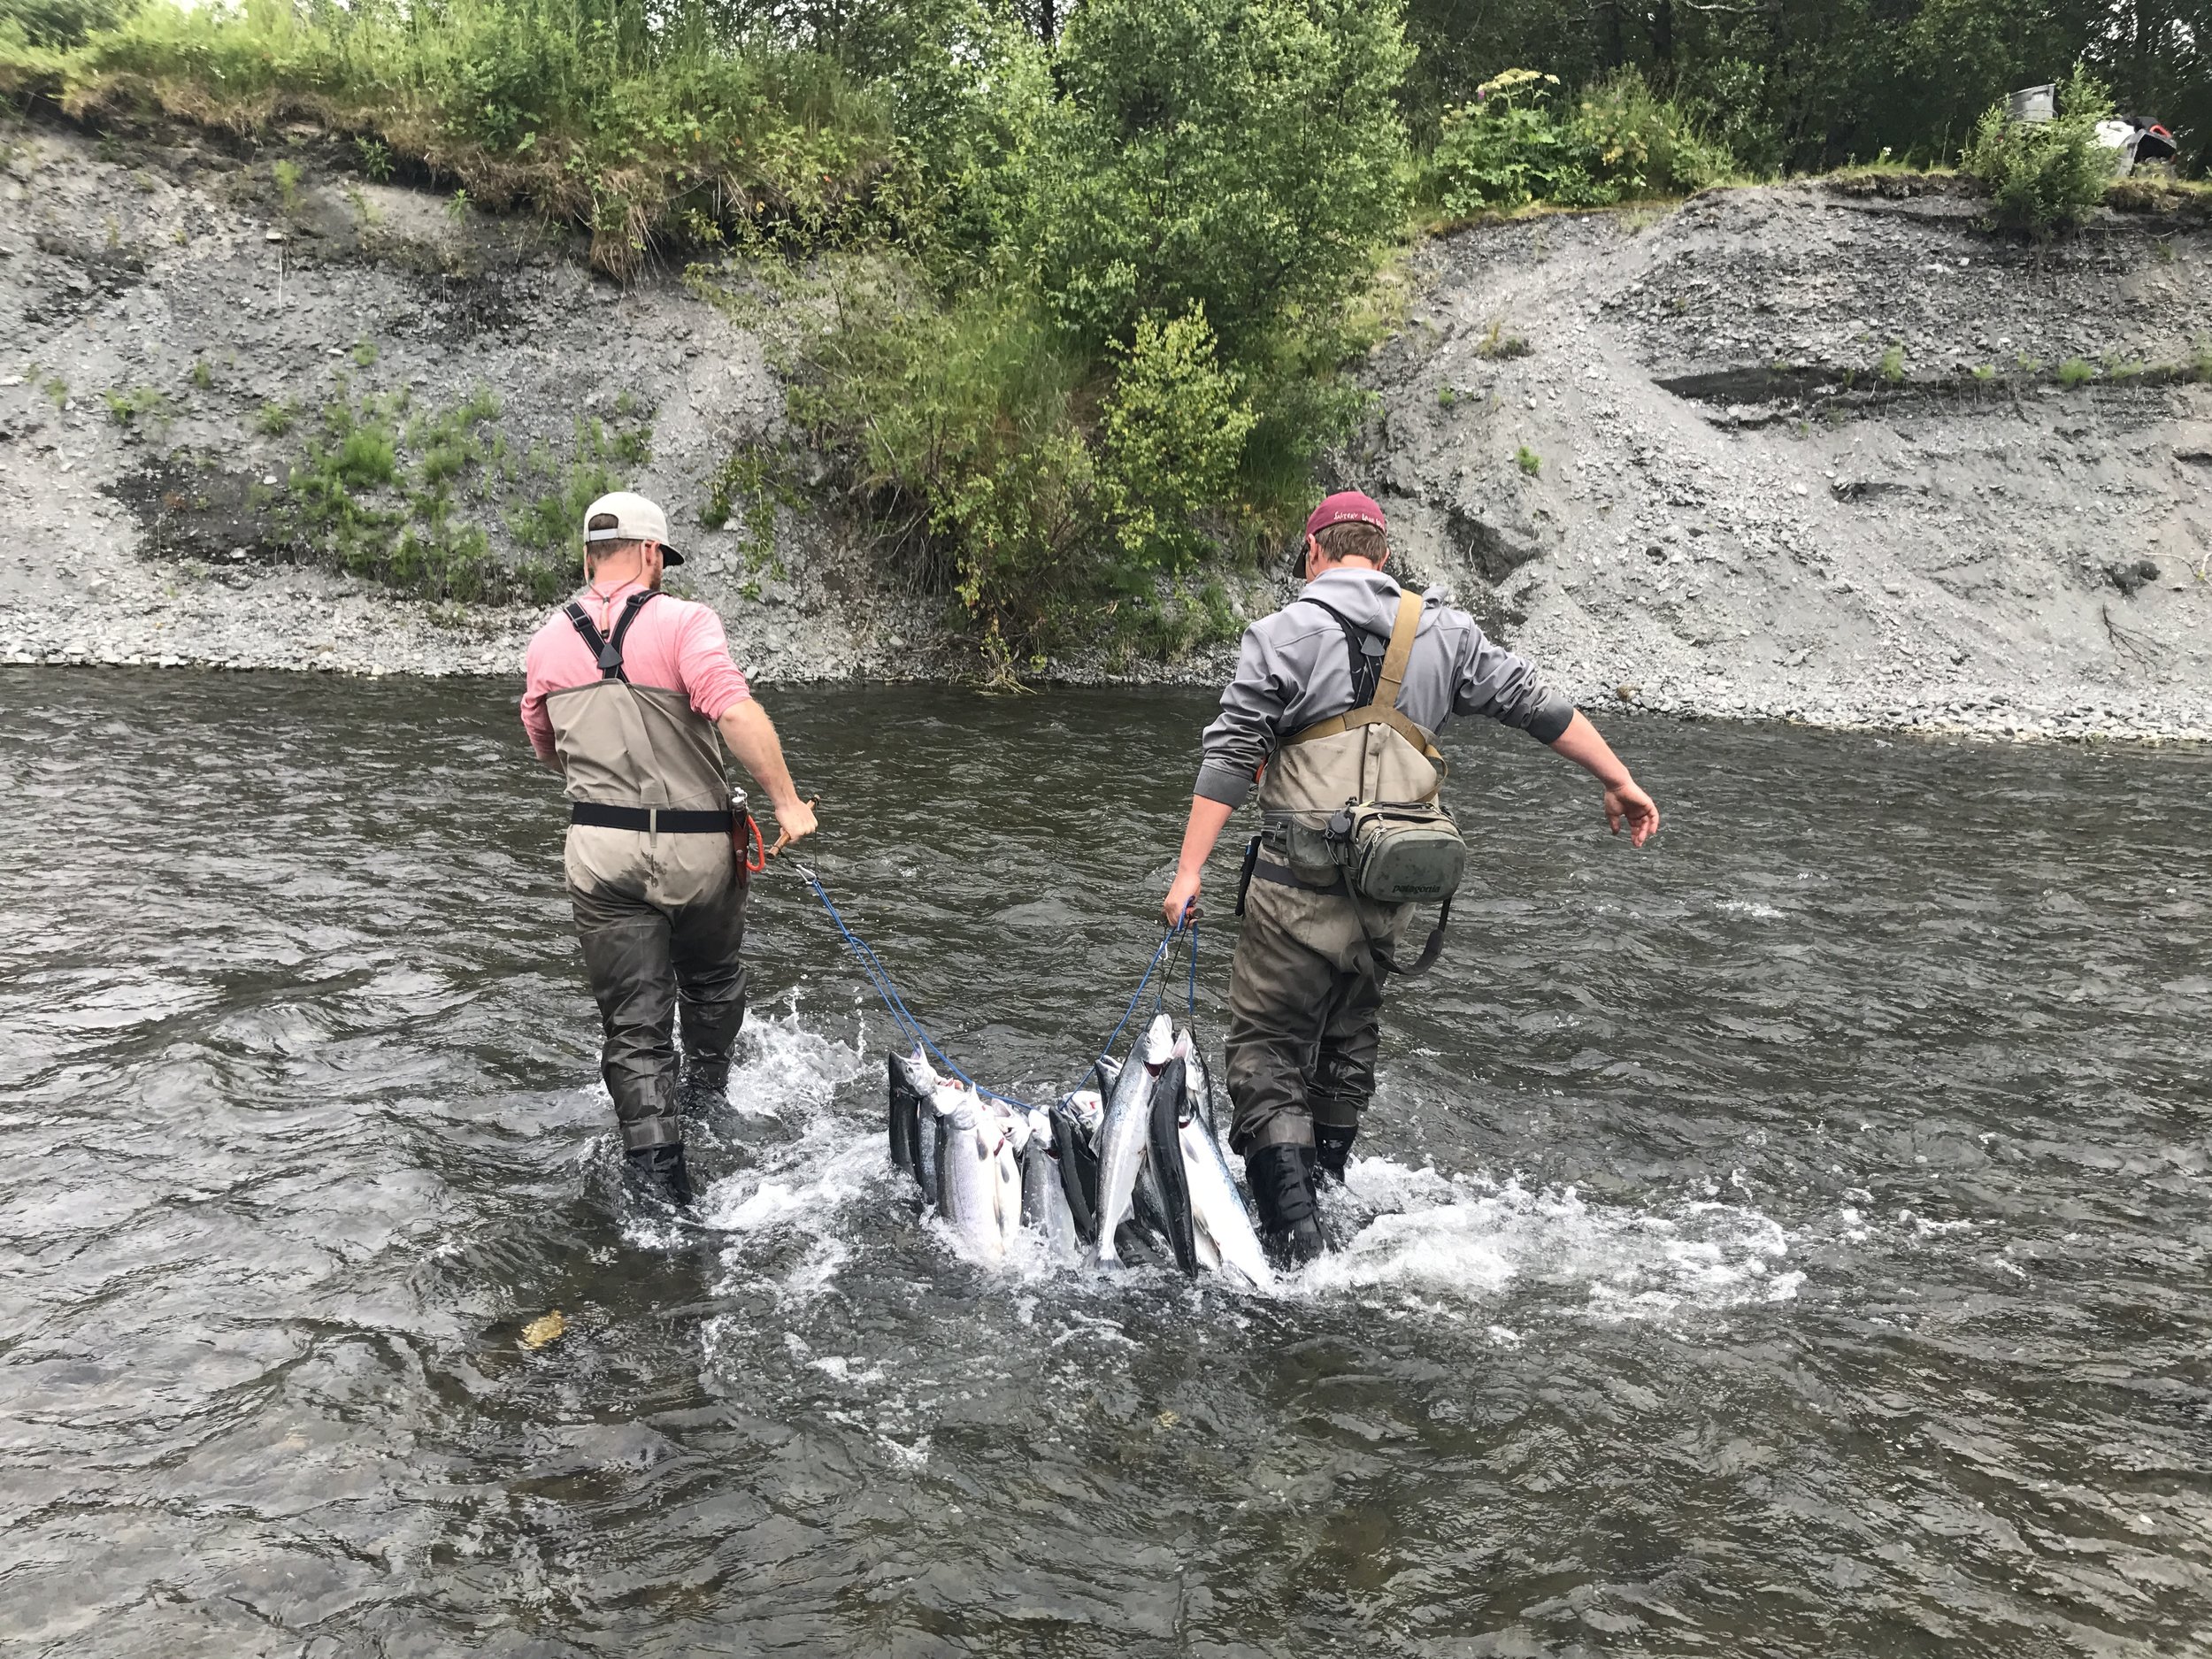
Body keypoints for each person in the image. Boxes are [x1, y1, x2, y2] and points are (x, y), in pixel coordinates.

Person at [1158, 490, 1659, 1264]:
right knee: (1345, 1041)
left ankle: (1296, 1246)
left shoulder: (1280, 632)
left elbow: (1229, 756)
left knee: (1266, 1052)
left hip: (1294, 893)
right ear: (1383, 556)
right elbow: (1536, 705)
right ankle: (1325, 1195)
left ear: (1313, 552)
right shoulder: (1446, 631)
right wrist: (1619, 777)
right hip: (1386, 901)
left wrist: (1190, 871)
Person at [520, 492, 818, 1207]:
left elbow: (543, 740)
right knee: (712, 981)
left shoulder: (545, 640)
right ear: (651, 554)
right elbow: (733, 709)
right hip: (697, 855)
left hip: (600, 855)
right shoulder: (685, 621)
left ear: (590, 555)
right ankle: (709, 1095)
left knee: (634, 1024)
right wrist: (786, 802)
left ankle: (658, 1179)